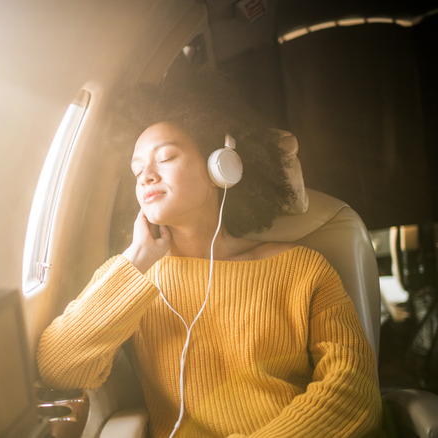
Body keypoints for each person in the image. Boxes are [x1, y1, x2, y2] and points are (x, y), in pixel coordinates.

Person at [36, 74, 382, 437]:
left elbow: (354, 391)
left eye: (166, 157)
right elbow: (60, 367)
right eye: (137, 170)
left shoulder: (304, 269)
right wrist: (137, 257)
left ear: (222, 167)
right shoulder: (135, 280)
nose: (146, 176)